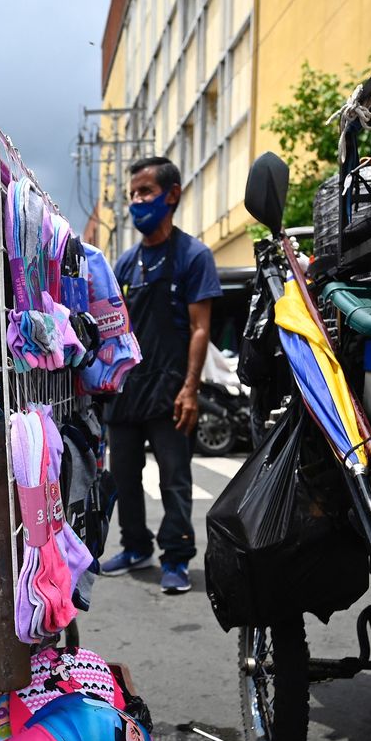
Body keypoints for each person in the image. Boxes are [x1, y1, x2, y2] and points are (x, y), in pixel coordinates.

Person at [99, 156, 223, 595]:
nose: (137, 202)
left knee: (174, 478)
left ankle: (175, 557)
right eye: (133, 194)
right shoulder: (124, 264)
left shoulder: (194, 255)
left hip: (172, 390)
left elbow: (200, 328)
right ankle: (135, 546)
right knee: (123, 478)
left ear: (171, 195)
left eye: (145, 192)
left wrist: (190, 389)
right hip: (126, 390)